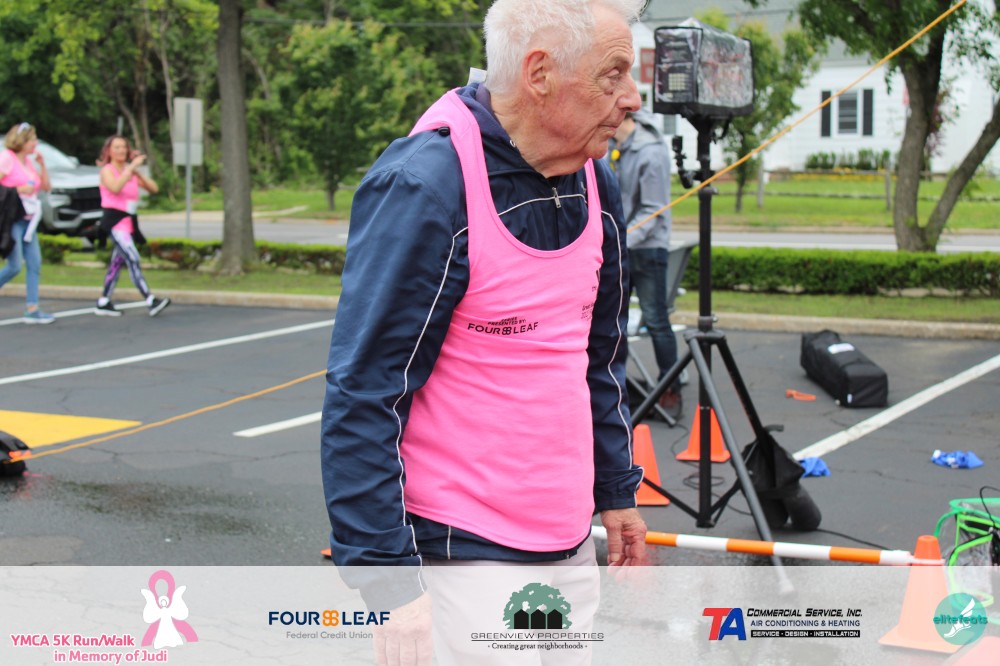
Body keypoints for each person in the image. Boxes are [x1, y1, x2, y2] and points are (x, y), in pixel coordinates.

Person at [321, 0, 649, 663]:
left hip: (566, 542)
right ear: (539, 74)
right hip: (461, 552)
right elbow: (365, 394)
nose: (632, 99)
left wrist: (616, 492)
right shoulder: (428, 184)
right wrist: (389, 584)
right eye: (613, 75)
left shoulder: (594, 179)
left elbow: (600, 359)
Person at [609, 110, 683, 419]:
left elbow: (652, 212)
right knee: (615, 320)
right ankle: (616, 389)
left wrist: (619, 240)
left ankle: (671, 387)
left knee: (655, 320)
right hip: (624, 245)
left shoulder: (649, 151)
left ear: (621, 117)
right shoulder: (616, 149)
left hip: (648, 248)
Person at [93, 135, 170, 317]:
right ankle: (150, 299)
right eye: (117, 147)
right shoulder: (108, 171)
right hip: (114, 222)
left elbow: (154, 188)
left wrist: (137, 172)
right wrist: (130, 169)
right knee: (133, 258)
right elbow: (115, 187)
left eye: (124, 147)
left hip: (129, 223)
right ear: (109, 151)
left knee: (116, 263)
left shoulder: (130, 172)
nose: (121, 150)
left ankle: (103, 301)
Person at [0, 123, 55, 324]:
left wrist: (42, 165)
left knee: (35, 263)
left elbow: (46, 187)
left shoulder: (29, 163)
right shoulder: (7, 158)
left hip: (29, 223)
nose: (35, 143)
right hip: (13, 221)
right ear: (21, 141)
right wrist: (18, 190)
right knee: (14, 266)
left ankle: (33, 308)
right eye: (32, 139)